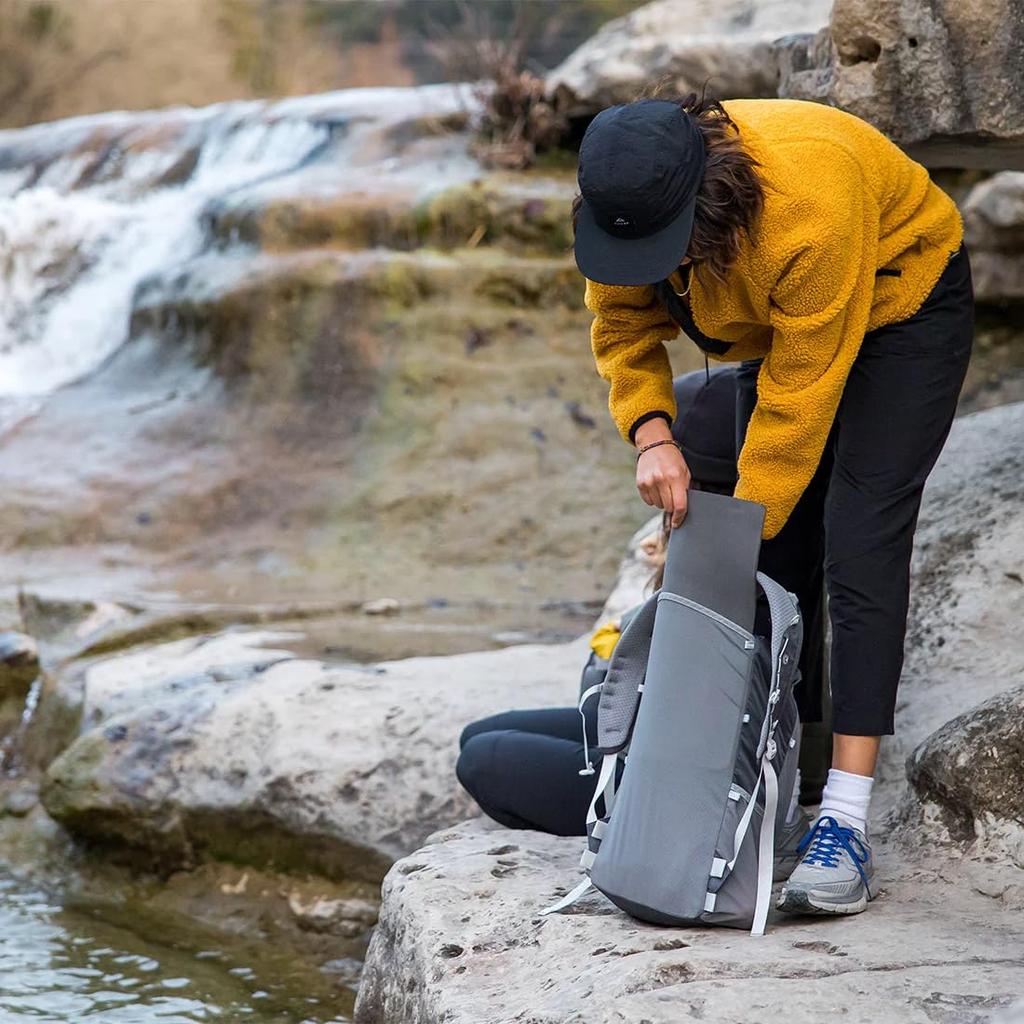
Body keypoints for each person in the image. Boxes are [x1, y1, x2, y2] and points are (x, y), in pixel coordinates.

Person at [573, 92, 973, 916]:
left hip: (902, 305)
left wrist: (725, 543)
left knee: (857, 535)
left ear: (706, 205)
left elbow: (794, 410)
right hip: (775, 321)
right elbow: (620, 328)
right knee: (778, 557)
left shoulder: (808, 209)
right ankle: (776, 788)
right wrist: (653, 435)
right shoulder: (620, 197)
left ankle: (847, 825)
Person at [456, 368, 826, 880]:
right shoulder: (762, 543)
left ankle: (619, 825)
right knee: (483, 732)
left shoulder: (730, 567)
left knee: (482, 758)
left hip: (682, 783)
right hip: (660, 736)